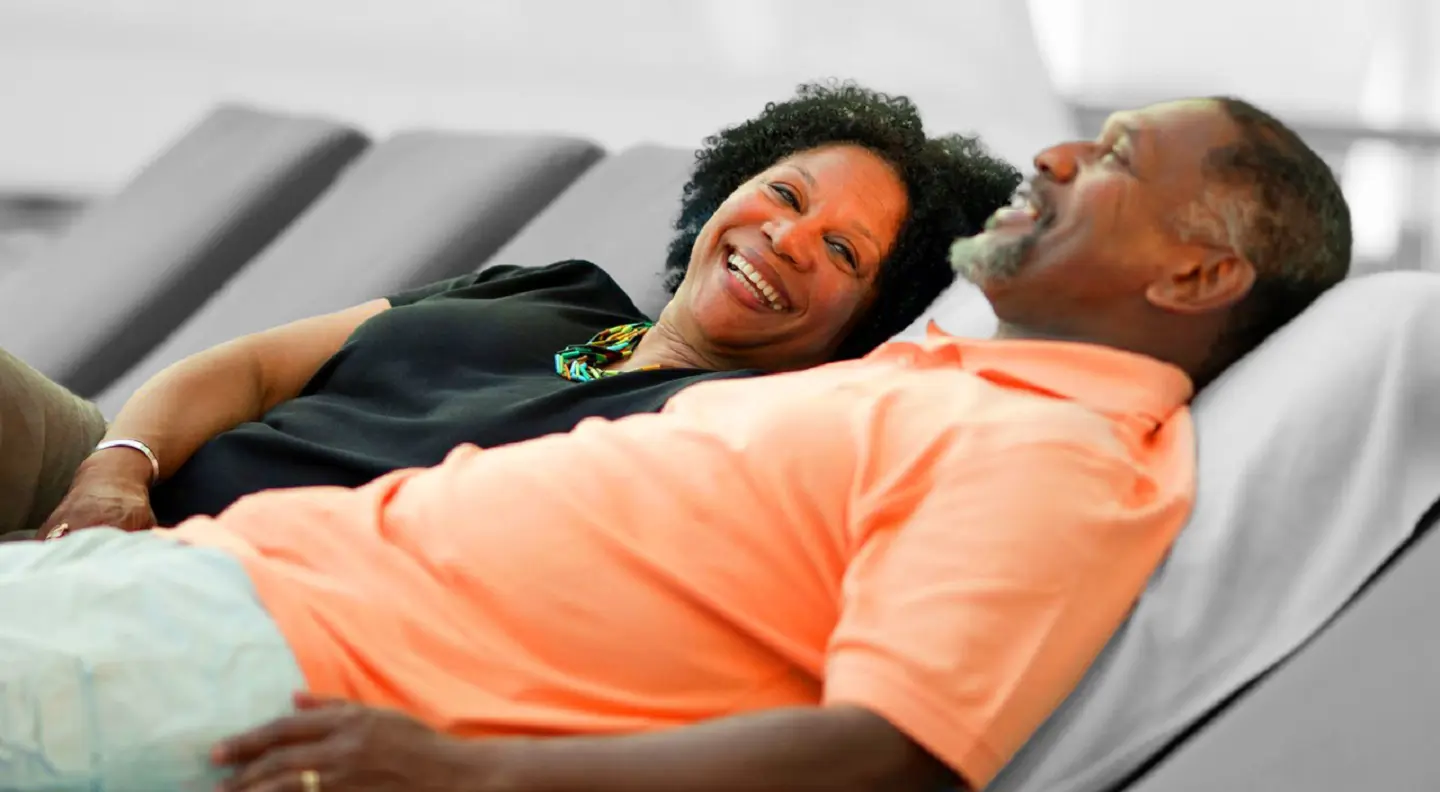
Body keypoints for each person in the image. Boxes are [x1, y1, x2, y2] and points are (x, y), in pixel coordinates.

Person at [0, 96, 1351, 792]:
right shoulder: (938, 380)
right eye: (783, 201)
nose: (1054, 157)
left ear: (1192, 279)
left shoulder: (1051, 452)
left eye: (1114, 158)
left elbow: (891, 751)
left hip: (267, 657)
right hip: (193, 582)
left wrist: (472, 771)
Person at [0, 80, 1021, 541]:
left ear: (869, 320)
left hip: (196, 578)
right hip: (114, 472)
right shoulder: (555, 291)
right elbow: (251, 371)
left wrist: (147, 543)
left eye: (842, 251)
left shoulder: (719, 433)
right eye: (786, 194)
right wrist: (111, 472)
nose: (787, 238)